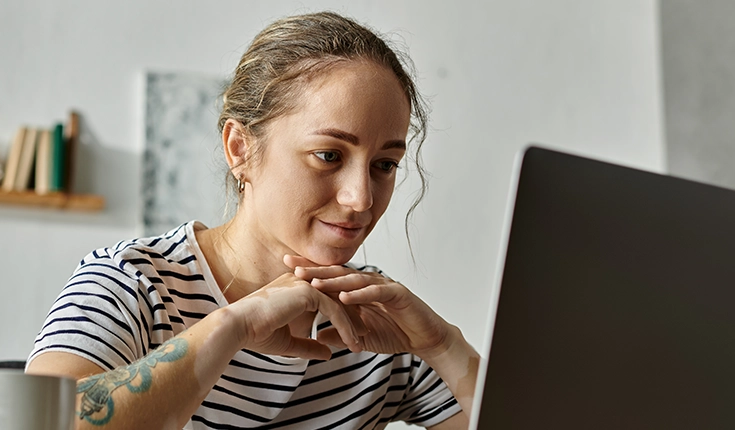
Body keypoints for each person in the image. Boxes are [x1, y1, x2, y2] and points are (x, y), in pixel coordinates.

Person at [27, 11, 480, 430]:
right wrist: (233, 327)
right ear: (240, 149)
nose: (360, 198)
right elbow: (39, 421)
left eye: (384, 165)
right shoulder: (130, 283)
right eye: (328, 155)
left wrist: (443, 346)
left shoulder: (376, 319)